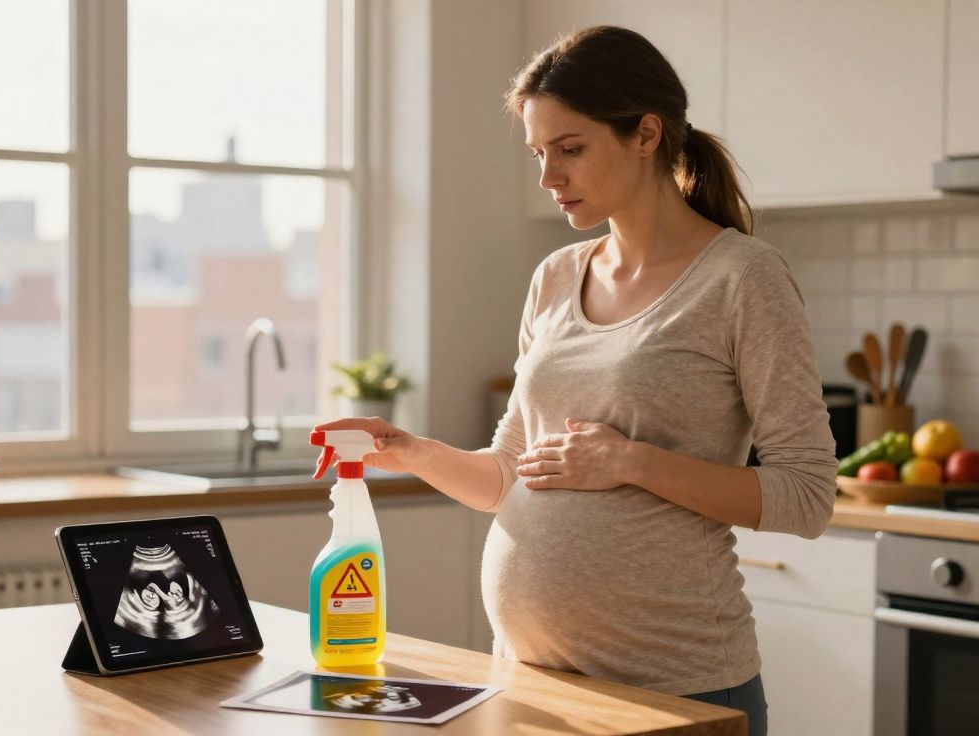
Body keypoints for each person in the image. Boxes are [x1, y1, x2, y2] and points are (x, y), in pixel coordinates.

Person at [315, 25, 836, 736]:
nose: (548, 177)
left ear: (646, 134)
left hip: (679, 694)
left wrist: (631, 461)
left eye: (571, 149)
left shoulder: (742, 278)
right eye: (538, 153)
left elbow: (806, 497)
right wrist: (409, 451)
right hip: (529, 682)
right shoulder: (556, 277)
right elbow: (508, 475)